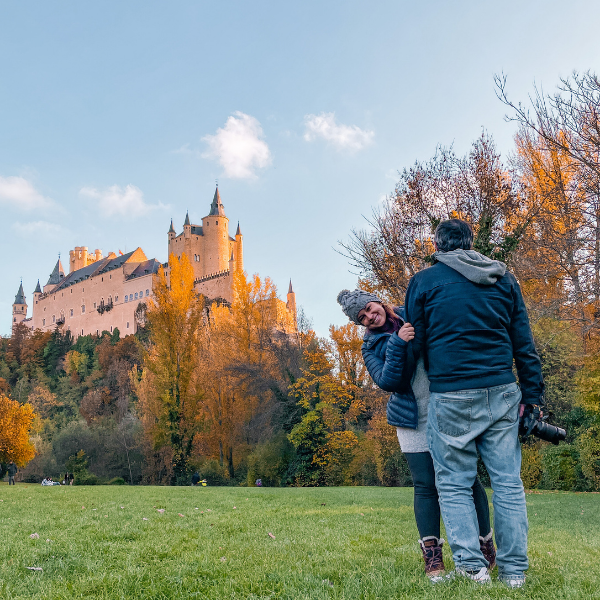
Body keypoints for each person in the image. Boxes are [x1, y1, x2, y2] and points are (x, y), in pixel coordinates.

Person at [403, 219, 545, 588]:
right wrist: (533, 398)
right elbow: (523, 343)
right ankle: (514, 573)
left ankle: (472, 568)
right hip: (502, 389)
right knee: (508, 483)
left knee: (452, 483)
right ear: (471, 242)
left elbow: (416, 342)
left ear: (439, 246)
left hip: (450, 393)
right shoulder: (503, 278)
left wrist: (397, 372)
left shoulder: (423, 281)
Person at [337, 289, 495, 581]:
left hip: (447, 409)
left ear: (378, 301)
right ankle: (433, 561)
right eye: (363, 318)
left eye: (370, 309)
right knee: (425, 486)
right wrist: (397, 343)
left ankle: (485, 546)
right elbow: (387, 380)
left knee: (467, 479)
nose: (371, 317)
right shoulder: (370, 346)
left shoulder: (411, 313)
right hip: (411, 417)